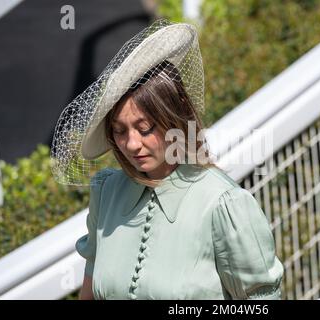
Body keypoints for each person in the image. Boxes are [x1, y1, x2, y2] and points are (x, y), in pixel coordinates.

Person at [51, 19, 284, 300]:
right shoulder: (106, 192)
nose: (132, 144)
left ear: (174, 117)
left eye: (145, 128)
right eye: (119, 131)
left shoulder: (224, 203)